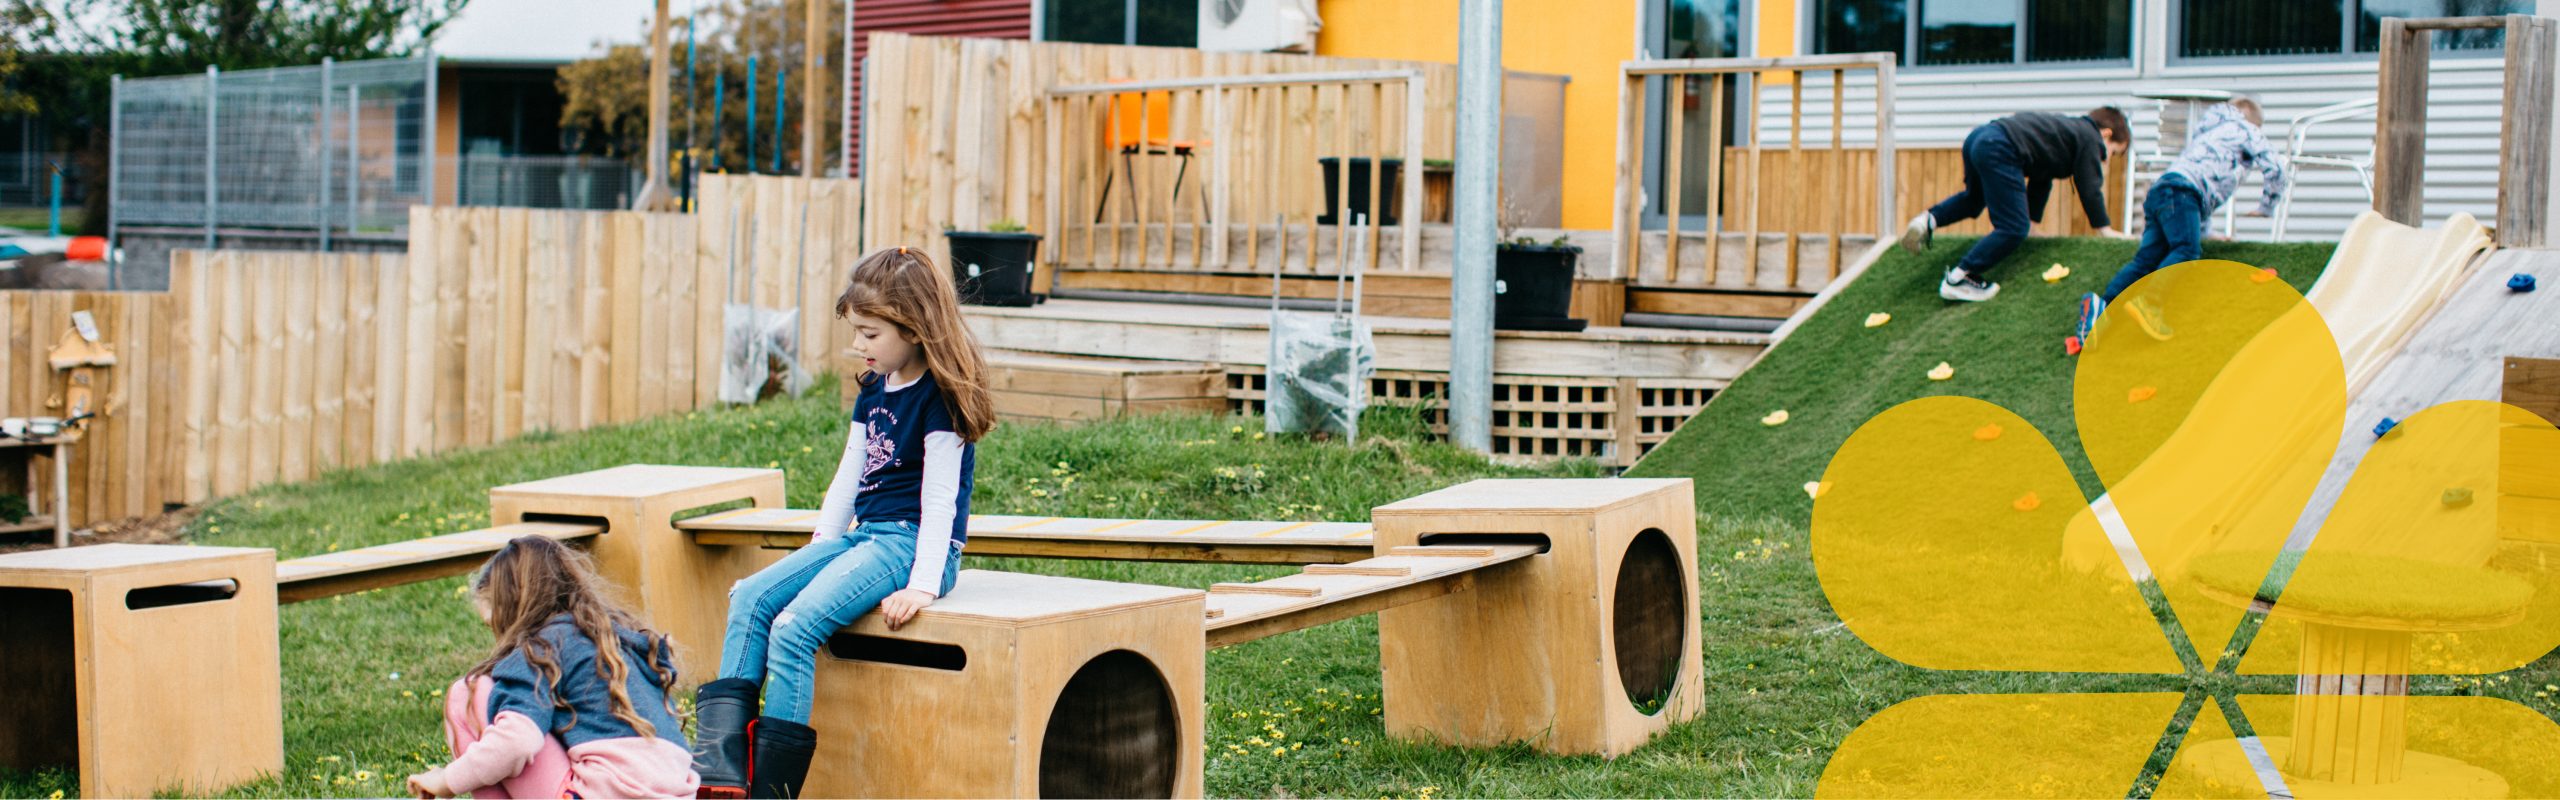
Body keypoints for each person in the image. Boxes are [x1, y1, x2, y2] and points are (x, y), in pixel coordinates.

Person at [688, 246, 996, 800]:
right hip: (863, 537)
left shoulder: (939, 398)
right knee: (752, 599)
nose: (858, 345)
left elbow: (941, 501)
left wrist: (924, 584)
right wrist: (814, 555)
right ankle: (721, 778)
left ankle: (770, 793)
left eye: (870, 334)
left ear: (916, 328)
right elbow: (848, 476)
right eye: (856, 331)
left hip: (912, 545)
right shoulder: (874, 388)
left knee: (793, 628)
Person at [405, 536, 698, 799]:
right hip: (678, 793)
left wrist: (447, 779)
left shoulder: (541, 648)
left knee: (470, 691)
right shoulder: (616, 640)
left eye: (494, 625)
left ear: (512, 611)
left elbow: (517, 741)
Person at [2071, 96, 2291, 353]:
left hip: (2163, 191)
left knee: (2146, 260)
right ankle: (2150, 302)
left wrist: (2207, 233)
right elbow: (2277, 168)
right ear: (2253, 122)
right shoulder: (2245, 130)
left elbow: (2202, 189)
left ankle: (2103, 307)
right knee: (2186, 249)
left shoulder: (2207, 132)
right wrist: (2266, 207)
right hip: (2182, 193)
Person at [1900, 107, 2135, 302]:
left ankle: (1927, 220)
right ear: (2106, 134)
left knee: (1974, 200)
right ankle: (1960, 277)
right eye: (2113, 153)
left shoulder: (2064, 132)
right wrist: (2104, 229)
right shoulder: (2090, 138)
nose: (2106, 159)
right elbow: (2089, 187)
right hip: (2001, 145)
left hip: (1980, 137)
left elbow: (2041, 180)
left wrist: (2033, 224)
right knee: (2013, 227)